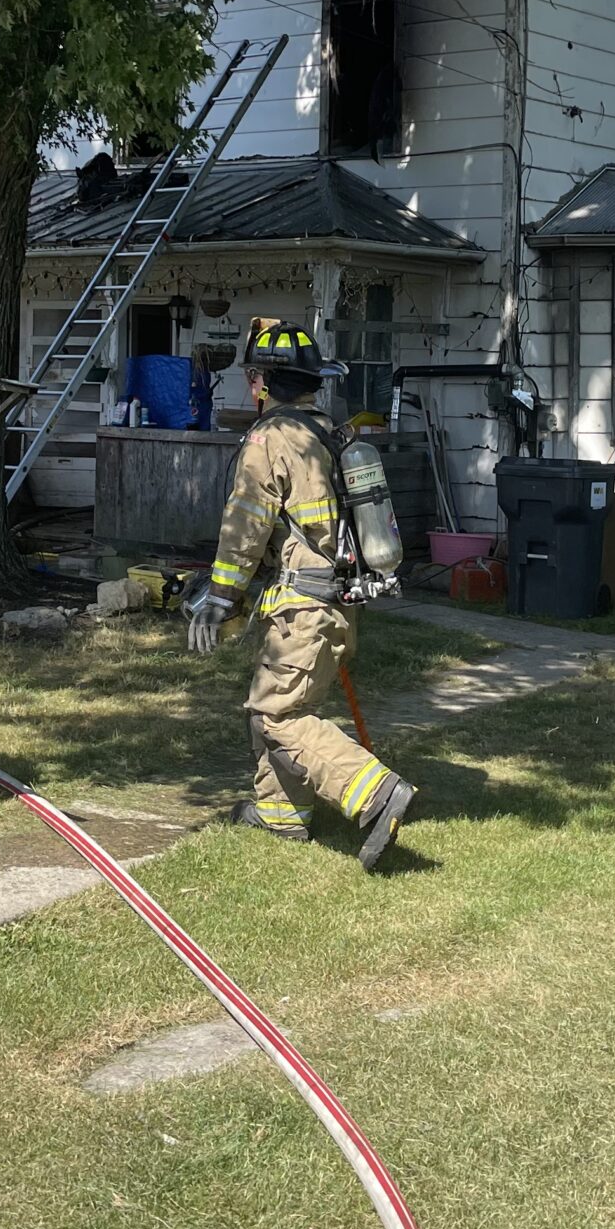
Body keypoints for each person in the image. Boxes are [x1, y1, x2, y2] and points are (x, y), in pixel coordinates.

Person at [188, 324, 415, 870]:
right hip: (331, 604)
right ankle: (281, 814)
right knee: (276, 704)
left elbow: (247, 523)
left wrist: (221, 594)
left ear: (259, 382)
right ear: (312, 384)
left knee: (279, 715)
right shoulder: (327, 434)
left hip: (305, 608)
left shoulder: (271, 440)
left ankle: (376, 792)